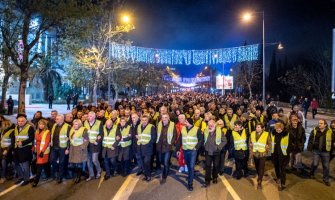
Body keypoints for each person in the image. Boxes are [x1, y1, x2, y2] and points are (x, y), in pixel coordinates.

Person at [176, 118, 203, 191]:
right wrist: (178, 149)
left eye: (186, 121)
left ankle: (190, 184)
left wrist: (196, 147)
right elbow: (180, 139)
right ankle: (190, 175)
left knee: (191, 166)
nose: (185, 122)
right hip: (185, 150)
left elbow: (201, 139)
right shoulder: (183, 129)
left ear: (190, 123)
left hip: (193, 151)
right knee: (188, 165)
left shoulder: (197, 129)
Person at [307, 119, 334, 186]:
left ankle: (326, 180)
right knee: (315, 164)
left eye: (321, 123)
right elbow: (310, 139)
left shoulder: (329, 131)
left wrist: (331, 150)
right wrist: (309, 148)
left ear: (325, 124)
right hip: (316, 151)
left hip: (326, 152)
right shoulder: (315, 130)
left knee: (326, 166)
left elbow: (332, 140)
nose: (319, 124)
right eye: (319, 123)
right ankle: (311, 173)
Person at [203, 119, 227, 187]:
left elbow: (224, 141)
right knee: (208, 166)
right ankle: (207, 180)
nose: (210, 126)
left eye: (211, 125)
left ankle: (215, 177)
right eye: (209, 125)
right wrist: (204, 146)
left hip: (216, 152)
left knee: (216, 166)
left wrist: (219, 147)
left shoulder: (219, 131)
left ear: (215, 125)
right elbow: (203, 139)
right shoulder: (206, 130)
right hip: (208, 151)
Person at [13, 114, 35, 186]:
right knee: (16, 163)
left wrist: (22, 143)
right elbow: (15, 137)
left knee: (25, 164)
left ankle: (26, 179)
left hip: (25, 149)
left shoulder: (30, 128)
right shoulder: (16, 127)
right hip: (17, 148)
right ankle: (21, 177)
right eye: (19, 121)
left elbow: (31, 138)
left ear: (25, 121)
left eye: (22, 121)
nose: (20, 122)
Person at [156, 113, 177, 184]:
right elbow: (157, 133)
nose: (164, 119)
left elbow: (175, 135)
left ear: (168, 118)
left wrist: (171, 143)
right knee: (161, 161)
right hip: (160, 146)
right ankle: (167, 167)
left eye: (166, 117)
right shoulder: (159, 124)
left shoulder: (172, 124)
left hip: (168, 146)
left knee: (165, 162)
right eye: (163, 117)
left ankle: (164, 176)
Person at [249, 122, 271, 189]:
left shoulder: (266, 134)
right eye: (256, 127)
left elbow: (269, 143)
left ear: (262, 128)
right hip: (255, 153)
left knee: (261, 167)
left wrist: (266, 151)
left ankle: (259, 181)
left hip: (262, 154)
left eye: (258, 127)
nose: (257, 128)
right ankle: (259, 175)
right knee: (257, 167)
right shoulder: (252, 133)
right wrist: (251, 151)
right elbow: (250, 143)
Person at [135, 114, 157, 182]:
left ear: (148, 121)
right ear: (141, 120)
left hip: (148, 148)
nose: (144, 121)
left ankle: (148, 176)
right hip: (140, 147)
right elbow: (137, 135)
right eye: (142, 120)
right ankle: (146, 174)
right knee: (143, 163)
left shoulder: (151, 127)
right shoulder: (138, 126)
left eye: (145, 120)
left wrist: (148, 144)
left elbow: (153, 138)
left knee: (146, 162)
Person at [50, 114, 71, 183]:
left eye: (57, 119)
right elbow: (52, 135)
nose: (55, 120)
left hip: (63, 147)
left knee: (62, 162)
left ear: (62, 119)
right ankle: (55, 173)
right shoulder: (54, 125)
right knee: (53, 160)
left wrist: (68, 148)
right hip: (54, 147)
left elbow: (69, 139)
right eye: (56, 119)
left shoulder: (68, 126)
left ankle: (60, 177)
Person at [271, 122, 292, 191]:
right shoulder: (273, 134)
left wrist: (287, 154)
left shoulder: (287, 135)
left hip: (284, 155)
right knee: (276, 167)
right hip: (275, 154)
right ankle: (278, 178)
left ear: (282, 129)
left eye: (280, 130)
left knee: (282, 169)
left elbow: (289, 146)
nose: (278, 131)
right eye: (277, 129)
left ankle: (283, 183)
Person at [84, 111, 103, 181]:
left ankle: (99, 170)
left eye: (91, 116)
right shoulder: (85, 122)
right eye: (88, 116)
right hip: (87, 145)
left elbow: (101, 134)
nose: (89, 117)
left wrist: (97, 141)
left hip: (95, 145)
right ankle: (91, 175)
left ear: (94, 117)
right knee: (88, 161)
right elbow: (84, 132)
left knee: (94, 160)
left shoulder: (99, 123)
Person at [68, 119, 89, 184]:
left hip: (79, 149)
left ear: (79, 124)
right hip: (73, 148)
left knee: (78, 164)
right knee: (73, 165)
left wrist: (82, 147)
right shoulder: (72, 129)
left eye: (76, 124)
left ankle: (78, 177)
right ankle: (84, 174)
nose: (74, 125)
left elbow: (86, 140)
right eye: (74, 124)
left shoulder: (83, 130)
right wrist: (68, 148)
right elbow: (70, 139)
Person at [32, 119, 51, 187]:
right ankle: (48, 174)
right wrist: (33, 148)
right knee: (45, 164)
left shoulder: (47, 132)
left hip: (44, 151)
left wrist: (42, 151)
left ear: (45, 125)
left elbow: (46, 142)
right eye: (40, 124)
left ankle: (36, 181)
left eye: (43, 124)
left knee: (39, 165)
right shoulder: (36, 131)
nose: (41, 126)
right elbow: (35, 141)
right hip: (37, 150)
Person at [0, 118, 15, 183]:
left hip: (7, 150)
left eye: (5, 124)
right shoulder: (2, 130)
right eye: (4, 124)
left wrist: (7, 150)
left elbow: (12, 143)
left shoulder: (12, 131)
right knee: (2, 164)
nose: (4, 125)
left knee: (4, 163)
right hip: (1, 149)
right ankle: (4, 176)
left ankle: (3, 177)